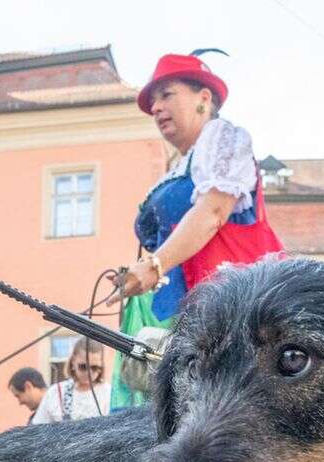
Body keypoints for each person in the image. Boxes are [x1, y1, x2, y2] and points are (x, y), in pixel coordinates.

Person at [109, 50, 283, 409]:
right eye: (152, 101)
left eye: (166, 94)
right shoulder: (180, 165)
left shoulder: (223, 139)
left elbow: (213, 211)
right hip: (170, 310)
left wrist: (155, 265)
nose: (156, 107)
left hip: (224, 306)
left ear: (204, 98)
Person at [31, 338, 112, 425]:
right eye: (83, 367)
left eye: (94, 367)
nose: (89, 373)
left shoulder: (110, 394)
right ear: (73, 362)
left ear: (101, 366)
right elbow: (37, 429)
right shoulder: (56, 392)